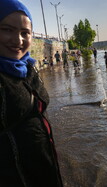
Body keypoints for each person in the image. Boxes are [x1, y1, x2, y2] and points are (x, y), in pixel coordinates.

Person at [0, 0, 63, 186]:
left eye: (24, 33)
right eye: (7, 30)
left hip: (45, 169)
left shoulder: (28, 67)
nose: (18, 40)